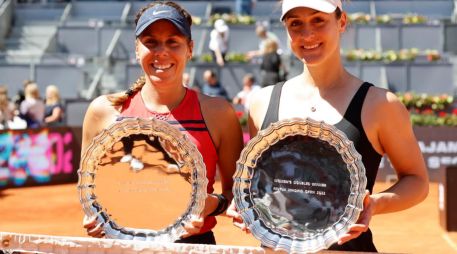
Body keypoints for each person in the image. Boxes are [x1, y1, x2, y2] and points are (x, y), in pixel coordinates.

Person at [227, 0, 429, 252]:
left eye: (318, 20)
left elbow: (417, 181)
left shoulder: (380, 104)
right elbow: (263, 184)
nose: (307, 34)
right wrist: (248, 201)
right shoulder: (261, 102)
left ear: (341, 21)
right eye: (295, 23)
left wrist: (373, 204)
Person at [81, 1, 243, 245]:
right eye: (151, 42)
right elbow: (89, 191)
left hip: (193, 246)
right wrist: (96, 217)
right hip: (122, 245)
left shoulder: (219, 113)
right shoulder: (103, 112)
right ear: (137, 49)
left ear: (190, 49)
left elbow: (238, 196)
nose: (162, 52)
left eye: (173, 42)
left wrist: (212, 204)